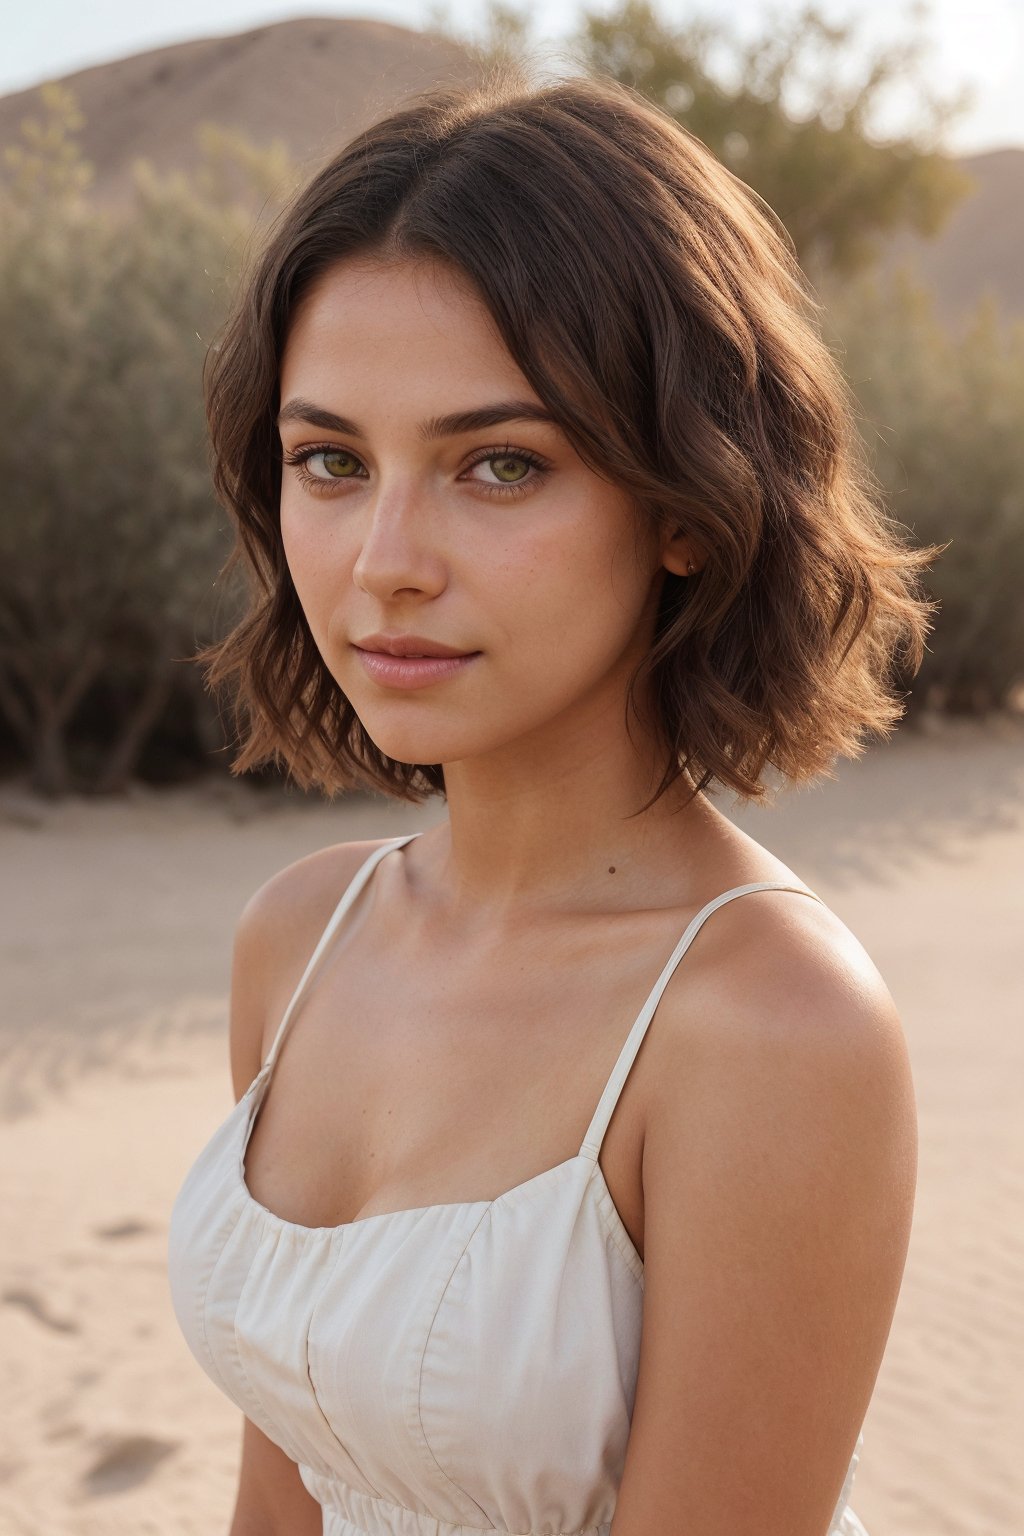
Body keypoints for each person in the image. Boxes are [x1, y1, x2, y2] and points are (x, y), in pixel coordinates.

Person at [168, 64, 933, 1536]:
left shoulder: (773, 1027)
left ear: (690, 508)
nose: (385, 556)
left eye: (498, 464)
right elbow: (284, 1492)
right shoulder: (299, 938)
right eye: (330, 460)